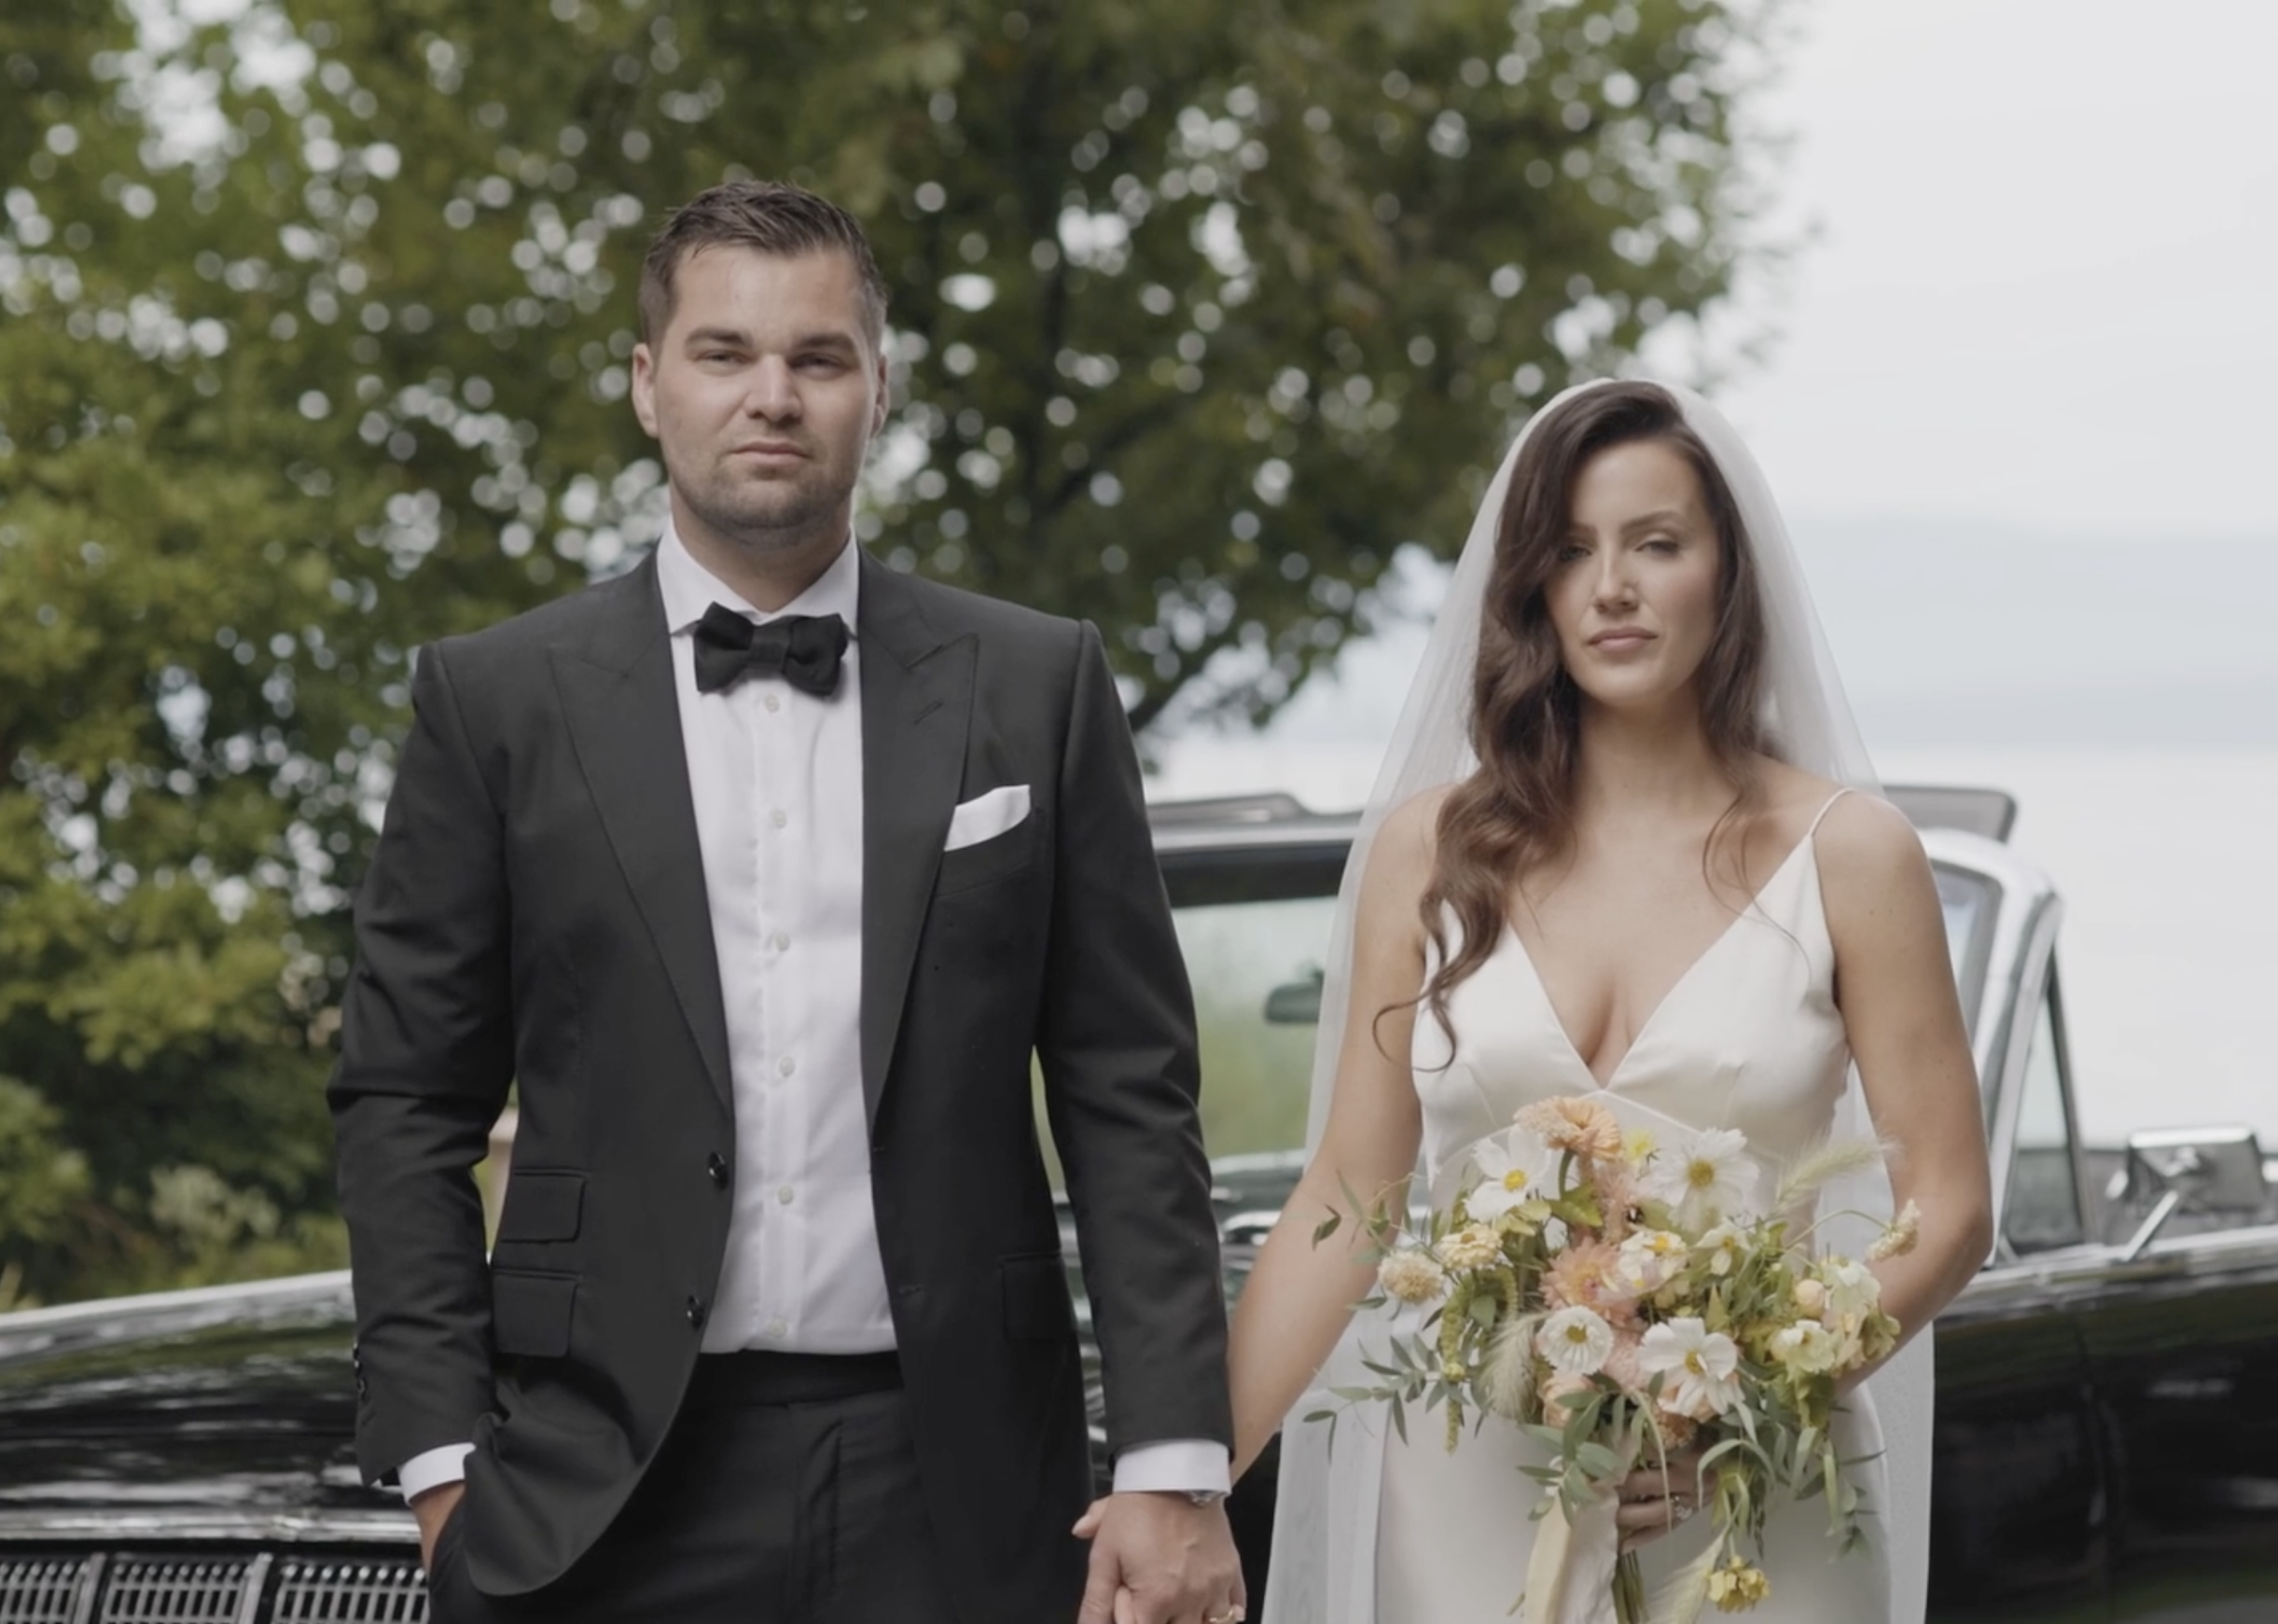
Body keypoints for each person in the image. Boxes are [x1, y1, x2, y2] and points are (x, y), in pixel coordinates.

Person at [328, 179, 1244, 1624]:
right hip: (593, 1495)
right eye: (723, 354)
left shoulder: (1037, 685)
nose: (774, 396)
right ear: (647, 384)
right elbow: (403, 1101)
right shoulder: (494, 701)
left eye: (818, 359)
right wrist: (444, 1462)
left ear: (877, 389)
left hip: (960, 1490)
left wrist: (1176, 1462)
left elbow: (1131, 1094)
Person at [1225, 380, 1994, 1622]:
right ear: (1530, 585)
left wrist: (1739, 1399)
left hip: (1754, 1502)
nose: (1612, 587)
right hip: (1469, 1494)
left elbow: (1949, 1207)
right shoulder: (1427, 851)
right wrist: (1193, 1487)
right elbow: (1351, 1194)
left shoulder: (1853, 854)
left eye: (1657, 544)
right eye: (1571, 551)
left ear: (1726, 575)